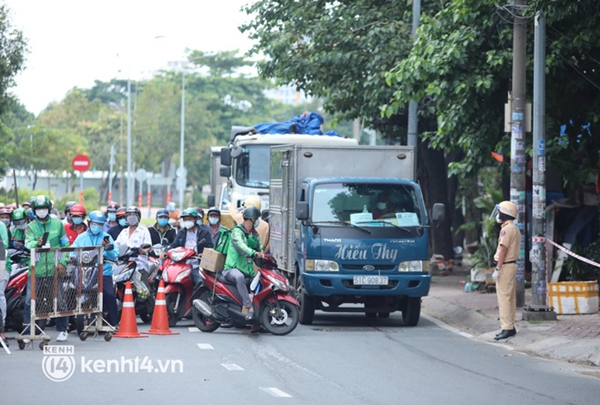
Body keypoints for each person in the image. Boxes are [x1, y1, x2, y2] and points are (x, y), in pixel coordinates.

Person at [23, 195, 70, 343]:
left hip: (54, 269)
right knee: (29, 301)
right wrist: (36, 243)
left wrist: (63, 262)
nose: (41, 211)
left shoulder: (58, 224)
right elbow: (28, 243)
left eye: (44, 208)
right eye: (38, 209)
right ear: (34, 211)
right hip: (36, 270)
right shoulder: (30, 227)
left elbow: (65, 245)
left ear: (48, 209)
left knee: (60, 300)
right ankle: (27, 331)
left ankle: (63, 330)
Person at [71, 210, 119, 326]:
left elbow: (115, 254)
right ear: (89, 223)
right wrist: (72, 257)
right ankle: (70, 322)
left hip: (103, 272)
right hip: (84, 272)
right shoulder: (81, 238)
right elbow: (72, 251)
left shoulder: (107, 237)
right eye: (94, 224)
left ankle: (114, 323)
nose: (96, 226)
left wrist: (107, 248)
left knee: (109, 294)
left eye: (99, 225)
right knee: (71, 291)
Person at [222, 206, 263, 320]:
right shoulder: (237, 232)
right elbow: (241, 246)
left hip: (247, 270)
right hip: (231, 269)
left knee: (260, 281)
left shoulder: (254, 234)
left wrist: (263, 256)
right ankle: (249, 307)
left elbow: (260, 248)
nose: (257, 222)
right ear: (251, 220)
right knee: (239, 277)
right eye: (256, 219)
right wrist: (253, 253)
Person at [491, 201, 521, 341]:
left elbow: (503, 249)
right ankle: (510, 326)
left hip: (506, 266)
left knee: (504, 298)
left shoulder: (506, 230)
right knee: (510, 298)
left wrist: (498, 268)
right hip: (511, 265)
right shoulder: (513, 228)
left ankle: (507, 328)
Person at [166, 208, 213, 285]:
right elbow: (174, 245)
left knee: (201, 285)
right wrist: (166, 252)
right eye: (185, 219)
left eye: (189, 219)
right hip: (182, 265)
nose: (187, 221)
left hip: (197, 266)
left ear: (195, 219)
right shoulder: (181, 232)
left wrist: (203, 254)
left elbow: (210, 248)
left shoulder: (204, 233)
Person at [115, 207, 152, 273]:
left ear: (139, 217)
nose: (131, 217)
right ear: (126, 217)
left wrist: (142, 251)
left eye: (133, 215)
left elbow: (148, 247)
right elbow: (116, 245)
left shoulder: (144, 230)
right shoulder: (124, 232)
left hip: (139, 264)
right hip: (123, 264)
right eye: (129, 215)